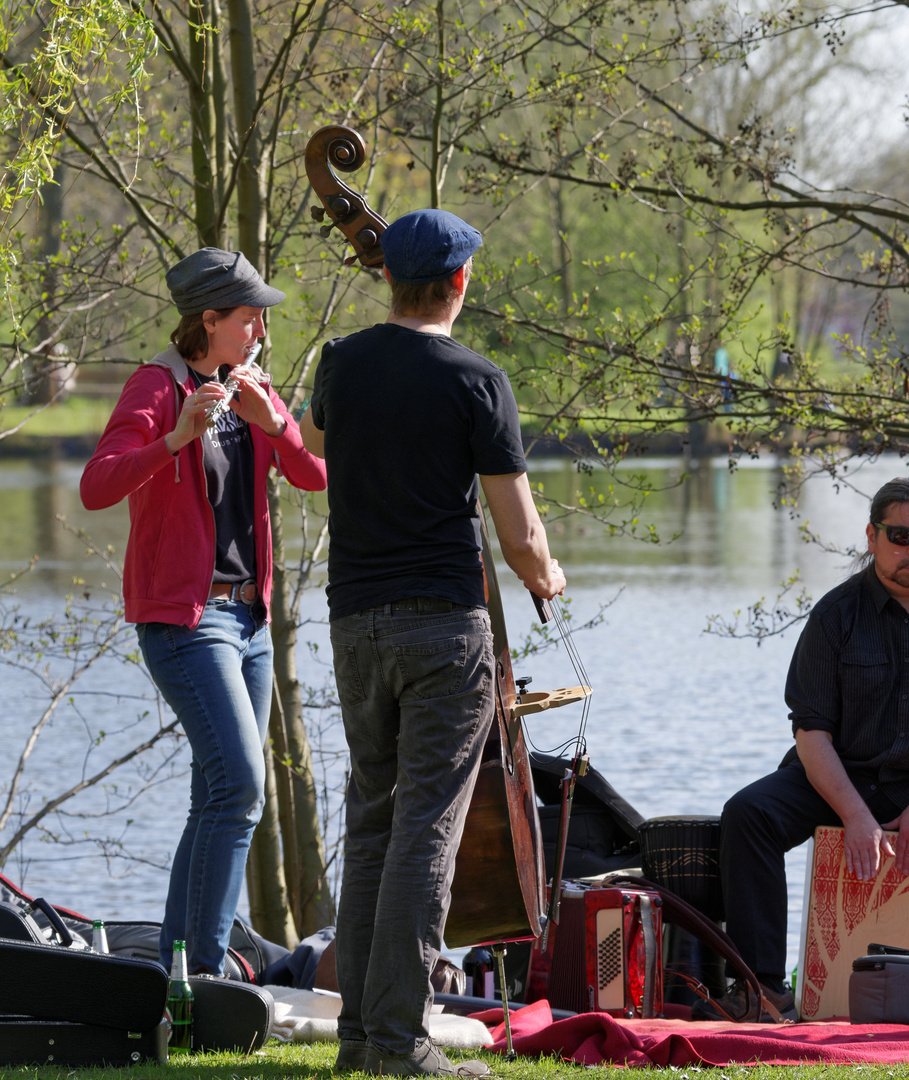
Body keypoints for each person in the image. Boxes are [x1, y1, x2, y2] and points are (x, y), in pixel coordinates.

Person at [302, 209, 566, 1076]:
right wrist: (546, 578)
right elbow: (520, 533)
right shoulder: (476, 378)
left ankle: (359, 1040)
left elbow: (311, 449)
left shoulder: (340, 363)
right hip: (444, 629)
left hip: (354, 624)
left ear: (389, 279)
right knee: (426, 834)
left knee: (372, 825)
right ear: (458, 282)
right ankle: (403, 1041)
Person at [80, 249, 327, 974]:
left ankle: (178, 980)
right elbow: (97, 486)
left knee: (217, 795)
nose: (260, 330)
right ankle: (207, 977)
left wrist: (274, 423)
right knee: (242, 788)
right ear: (208, 320)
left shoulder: (251, 384)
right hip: (188, 625)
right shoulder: (156, 387)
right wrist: (175, 437)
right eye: (249, 318)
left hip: (248, 627)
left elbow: (314, 474)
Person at [716, 476, 909, 1021]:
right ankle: (761, 990)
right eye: (901, 535)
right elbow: (811, 732)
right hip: (836, 776)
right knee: (748, 816)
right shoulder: (834, 615)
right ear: (872, 535)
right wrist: (856, 817)